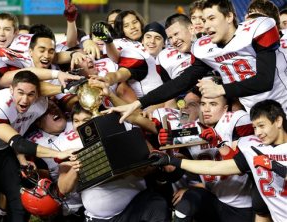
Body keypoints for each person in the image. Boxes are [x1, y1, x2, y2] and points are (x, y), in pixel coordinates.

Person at [106, 0, 287, 123]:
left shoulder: (258, 28)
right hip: (255, 114)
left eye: (211, 18)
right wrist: (139, 103)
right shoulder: (204, 47)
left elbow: (265, 80)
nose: (206, 25)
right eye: (203, 20)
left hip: (283, 105)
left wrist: (221, 89)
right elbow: (181, 82)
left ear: (230, 17)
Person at [150, 99, 287, 222]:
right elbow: (214, 167)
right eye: (203, 104)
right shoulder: (252, 146)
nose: (257, 133)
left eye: (213, 104)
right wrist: (169, 152)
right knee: (185, 207)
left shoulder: (236, 123)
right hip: (217, 199)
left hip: (246, 204)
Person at [53, 102, 170, 222]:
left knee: (158, 205)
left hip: (138, 203)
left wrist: (142, 168)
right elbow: (63, 189)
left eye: (86, 120)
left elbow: (154, 162)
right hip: (101, 217)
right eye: (76, 121)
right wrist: (76, 166)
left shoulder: (124, 129)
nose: (80, 126)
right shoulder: (68, 147)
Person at [0, 71, 76, 222]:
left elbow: (17, 130)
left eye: (30, 94)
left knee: (19, 204)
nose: (24, 99)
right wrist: (58, 153)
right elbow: (18, 142)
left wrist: (22, 160)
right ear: (11, 90)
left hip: (5, 150)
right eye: (20, 93)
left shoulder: (40, 105)